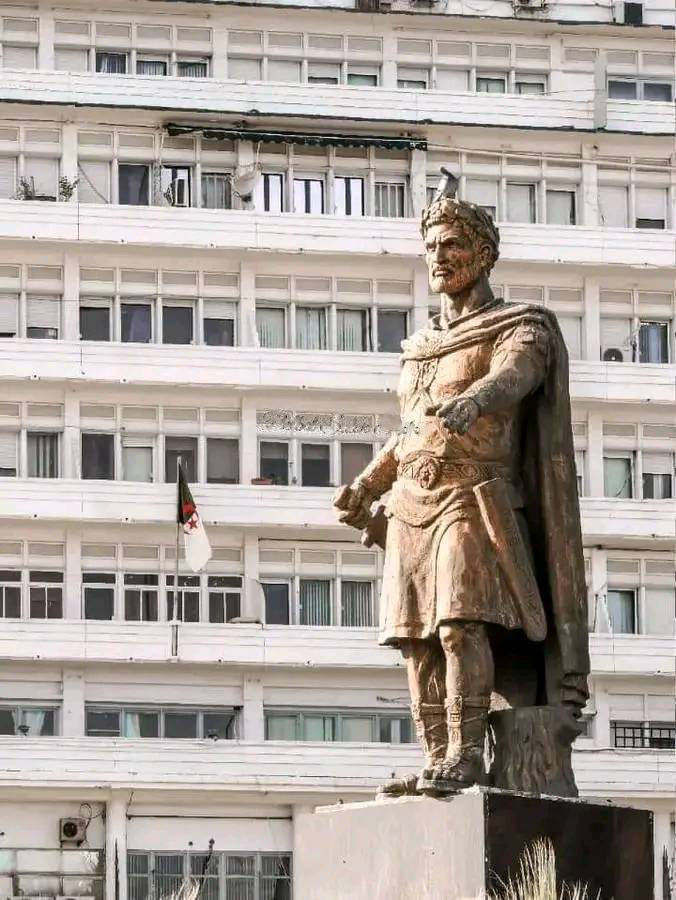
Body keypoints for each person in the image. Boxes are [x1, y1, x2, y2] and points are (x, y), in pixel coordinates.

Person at [334, 171, 590, 795]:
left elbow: (518, 376)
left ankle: (469, 755)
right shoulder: (419, 347)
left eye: (451, 244)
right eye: (432, 248)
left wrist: (477, 399)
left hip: (474, 499)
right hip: (411, 503)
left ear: (482, 252)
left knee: (457, 624)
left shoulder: (518, 326)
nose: (439, 258)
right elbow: (411, 430)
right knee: (414, 640)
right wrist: (368, 484)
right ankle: (434, 760)